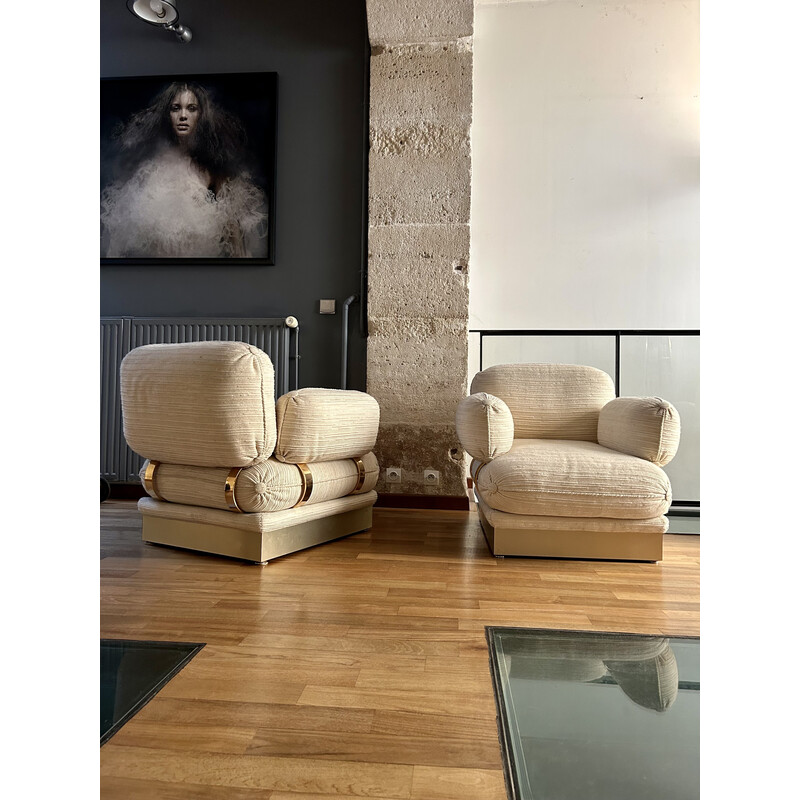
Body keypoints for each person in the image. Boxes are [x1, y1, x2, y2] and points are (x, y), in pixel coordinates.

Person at [100, 81, 268, 259]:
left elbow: (235, 238)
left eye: (191, 108)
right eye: (175, 108)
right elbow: (125, 231)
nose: (183, 115)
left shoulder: (212, 169)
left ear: (201, 114)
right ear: (167, 114)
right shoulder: (149, 166)